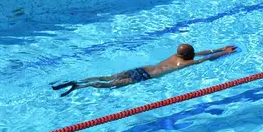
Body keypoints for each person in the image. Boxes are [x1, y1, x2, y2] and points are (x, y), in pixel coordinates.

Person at [52, 43, 235, 97]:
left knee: (108, 77)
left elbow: (198, 52)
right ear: (189, 55)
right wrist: (223, 53)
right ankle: (81, 87)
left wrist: (219, 48)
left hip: (141, 69)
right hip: (145, 77)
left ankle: (80, 81)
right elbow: (204, 58)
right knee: (111, 85)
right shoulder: (185, 63)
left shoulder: (175, 56)